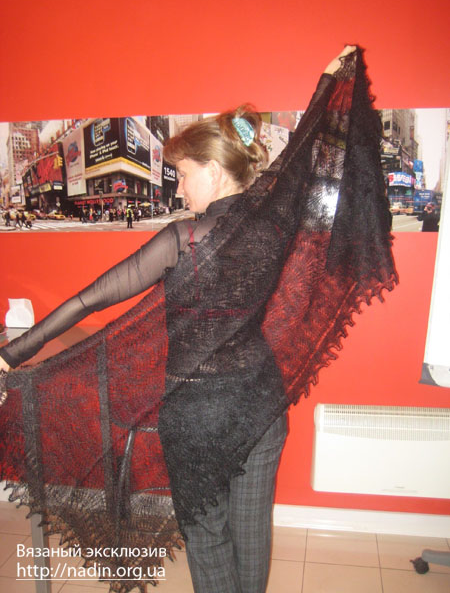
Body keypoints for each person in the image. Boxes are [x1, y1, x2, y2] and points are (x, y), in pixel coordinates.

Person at [0, 46, 397, 593]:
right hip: (260, 405)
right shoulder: (272, 229)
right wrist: (328, 84)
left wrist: (11, 353)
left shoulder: (183, 238)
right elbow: (300, 158)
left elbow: (90, 300)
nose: (180, 188)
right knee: (252, 531)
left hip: (197, 415)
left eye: (184, 175)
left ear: (213, 170)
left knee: (208, 537)